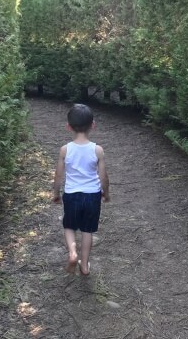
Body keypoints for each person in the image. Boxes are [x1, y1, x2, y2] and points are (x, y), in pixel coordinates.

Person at [52, 104, 110, 276]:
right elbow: (103, 176)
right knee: (87, 230)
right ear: (93, 125)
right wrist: (106, 193)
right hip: (92, 195)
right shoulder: (97, 150)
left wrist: (56, 193)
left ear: (68, 126)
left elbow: (58, 175)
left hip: (71, 195)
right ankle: (84, 266)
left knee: (69, 226)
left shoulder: (65, 149)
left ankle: (72, 253)